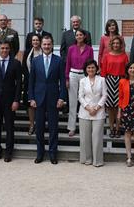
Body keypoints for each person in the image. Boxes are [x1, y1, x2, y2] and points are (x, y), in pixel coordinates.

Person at [29, 35, 67, 165]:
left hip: (53, 98)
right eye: (44, 44)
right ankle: (40, 153)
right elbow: (31, 81)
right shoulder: (35, 60)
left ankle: (53, 153)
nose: (46, 46)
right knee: (39, 128)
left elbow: (62, 81)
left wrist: (62, 97)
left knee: (53, 128)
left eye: (48, 44)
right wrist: (31, 98)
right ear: (41, 45)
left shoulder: (59, 60)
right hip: (38, 99)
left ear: (52, 45)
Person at [78, 59, 107, 167]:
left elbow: (104, 95)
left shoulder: (102, 80)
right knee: (85, 138)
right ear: (86, 69)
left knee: (97, 137)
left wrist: (97, 107)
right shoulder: (82, 81)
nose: (91, 69)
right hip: (85, 112)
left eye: (93, 67)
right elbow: (80, 96)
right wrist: (88, 108)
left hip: (98, 112)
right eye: (89, 67)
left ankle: (97, 161)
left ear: (96, 69)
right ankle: (87, 159)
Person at [65, 29, 94, 136]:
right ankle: (71, 127)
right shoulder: (71, 49)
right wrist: (67, 78)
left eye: (81, 35)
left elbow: (91, 65)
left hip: (84, 75)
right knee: (72, 102)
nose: (79, 36)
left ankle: (85, 126)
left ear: (84, 36)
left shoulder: (90, 49)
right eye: (77, 35)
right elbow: (67, 63)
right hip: (73, 74)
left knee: (85, 101)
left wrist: (91, 78)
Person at [100, 35, 129, 138]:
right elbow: (103, 72)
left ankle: (118, 128)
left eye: (118, 43)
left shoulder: (124, 56)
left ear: (120, 44)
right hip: (109, 81)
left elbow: (127, 71)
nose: (116, 45)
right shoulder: (106, 56)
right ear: (111, 44)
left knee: (119, 106)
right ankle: (111, 128)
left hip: (121, 81)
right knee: (110, 107)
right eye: (114, 43)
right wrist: (103, 83)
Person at [22, 34, 43, 135]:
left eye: (37, 40)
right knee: (30, 104)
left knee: (40, 103)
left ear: (40, 41)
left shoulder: (44, 52)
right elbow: (24, 67)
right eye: (33, 40)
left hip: (41, 82)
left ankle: (39, 124)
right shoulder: (27, 52)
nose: (35, 42)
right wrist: (30, 77)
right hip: (29, 81)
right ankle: (31, 125)